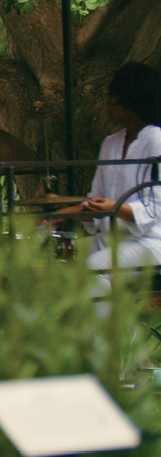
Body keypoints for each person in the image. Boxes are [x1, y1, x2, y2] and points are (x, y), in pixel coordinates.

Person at [50, 62, 161, 290]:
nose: (106, 103)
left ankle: (107, 327)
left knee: (95, 269)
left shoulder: (156, 140)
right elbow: (96, 201)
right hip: (109, 240)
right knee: (56, 262)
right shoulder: (110, 144)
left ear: (129, 100)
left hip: (150, 242)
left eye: (110, 96)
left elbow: (156, 209)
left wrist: (113, 207)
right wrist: (60, 214)